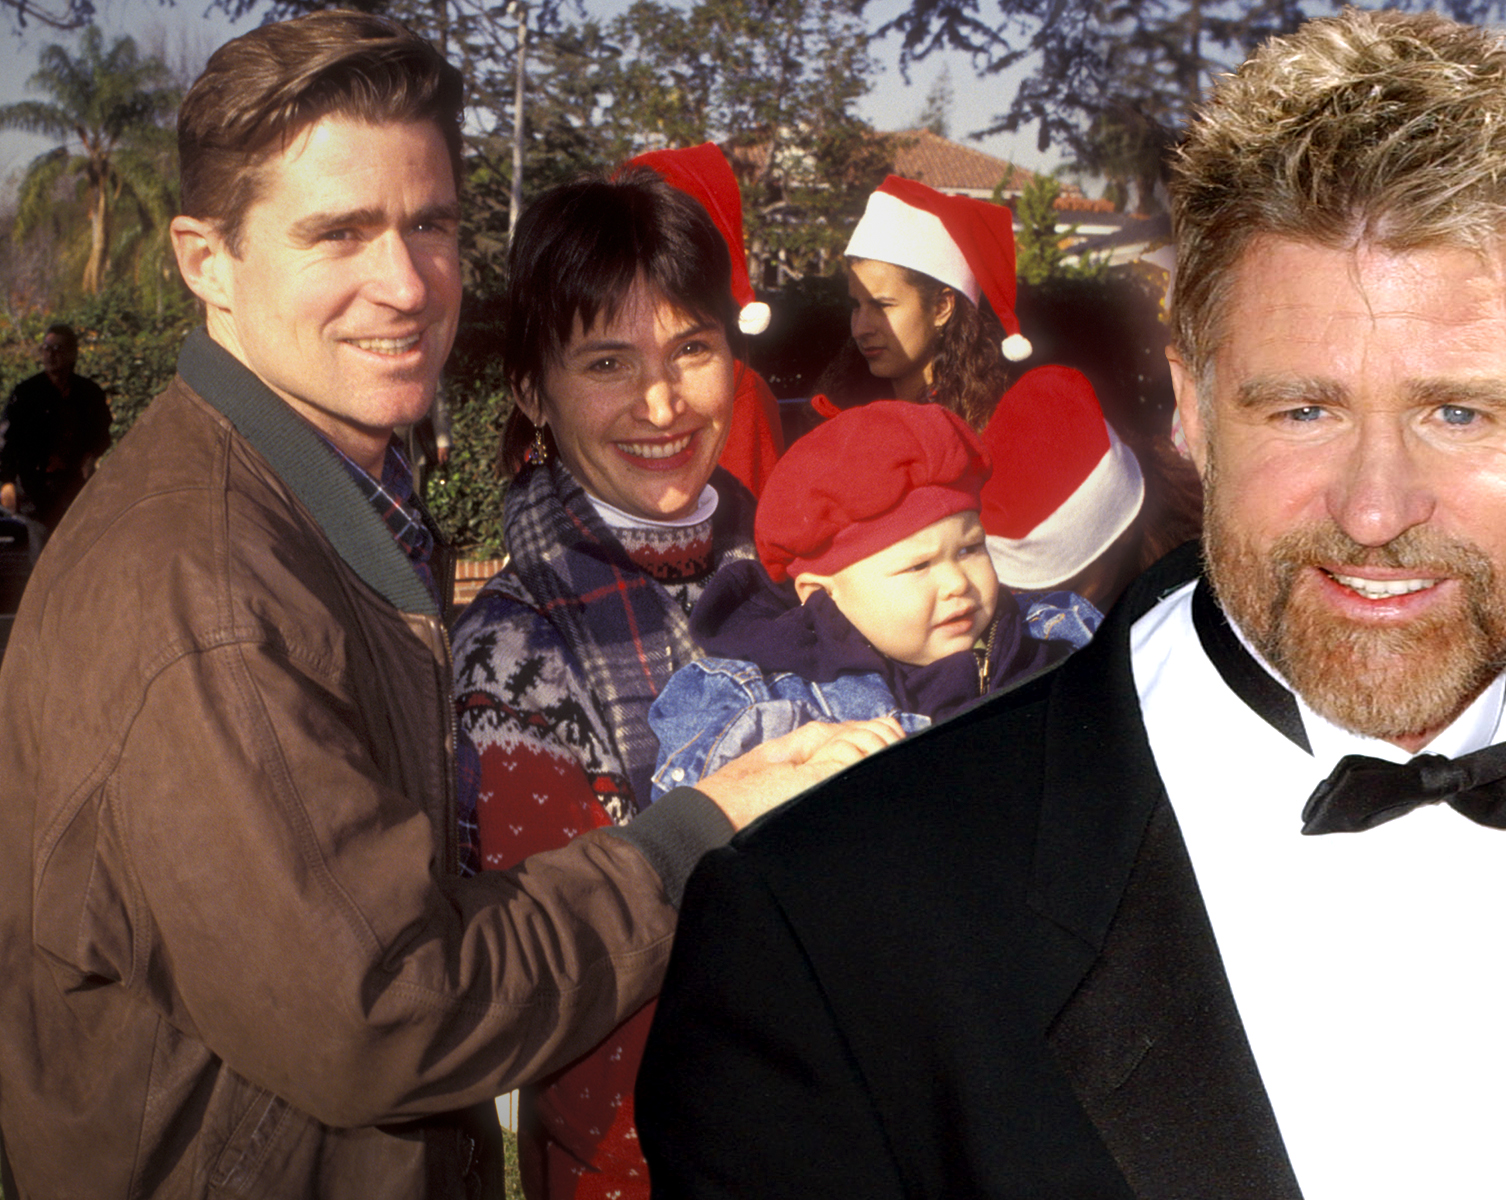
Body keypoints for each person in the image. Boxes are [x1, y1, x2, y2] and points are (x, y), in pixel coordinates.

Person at [637, 11, 1506, 1198]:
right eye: (1301, 409)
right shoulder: (829, 937)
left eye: (1459, 412)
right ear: (1192, 403)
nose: (1375, 507)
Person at [0, 15, 884, 1196]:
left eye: (430, 224)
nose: (408, 283)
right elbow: (389, 1012)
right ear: (206, 261)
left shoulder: (321, 506)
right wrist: (700, 828)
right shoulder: (203, 589)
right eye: (339, 232)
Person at [449, 157, 893, 1198]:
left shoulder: (804, 557)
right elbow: (545, 968)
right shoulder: (519, 651)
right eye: (606, 362)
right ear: (531, 389)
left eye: (691, 348)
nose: (661, 400)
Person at [647, 399, 1100, 790]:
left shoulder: (1054, 634)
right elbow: (696, 802)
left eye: (969, 548)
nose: (957, 583)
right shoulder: (761, 698)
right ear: (822, 596)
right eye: (919, 566)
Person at [812, 176, 1151, 600]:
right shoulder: (846, 418)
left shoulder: (1001, 428)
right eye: (855, 306)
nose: (861, 327)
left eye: (882, 305)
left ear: (941, 306)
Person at [1, 322, 113, 527]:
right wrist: (6, 482)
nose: (50, 355)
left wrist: (91, 455)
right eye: (46, 348)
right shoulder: (26, 393)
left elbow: (102, 433)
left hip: (73, 487)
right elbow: (6, 440)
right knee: (39, 553)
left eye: (57, 349)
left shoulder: (88, 393)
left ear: (72, 354)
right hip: (33, 490)